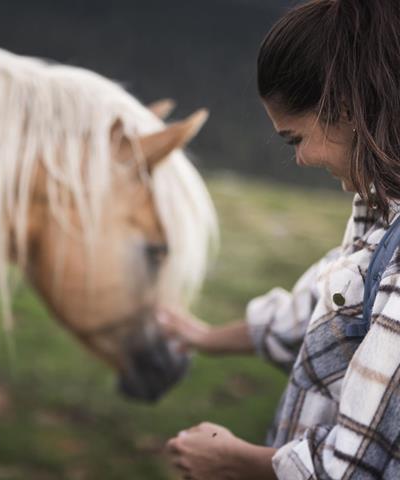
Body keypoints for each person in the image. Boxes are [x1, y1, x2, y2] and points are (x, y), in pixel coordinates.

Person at [163, 0, 400, 478]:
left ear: (346, 109)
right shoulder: (381, 216)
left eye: (295, 139)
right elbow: (320, 308)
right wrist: (201, 335)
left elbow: (353, 470)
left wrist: (232, 460)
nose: (301, 159)